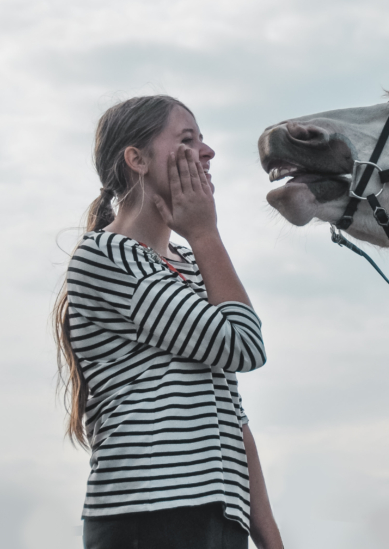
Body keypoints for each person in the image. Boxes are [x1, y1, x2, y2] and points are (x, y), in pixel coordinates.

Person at [52, 95, 284, 549]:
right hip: (151, 511)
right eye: (187, 140)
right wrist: (204, 232)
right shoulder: (106, 255)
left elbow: (232, 414)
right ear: (136, 160)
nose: (207, 152)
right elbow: (243, 345)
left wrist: (271, 541)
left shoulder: (192, 267)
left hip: (217, 511)